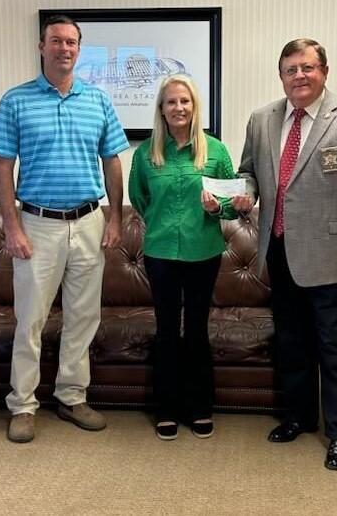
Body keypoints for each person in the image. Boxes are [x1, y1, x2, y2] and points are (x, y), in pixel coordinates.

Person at [233, 38, 337, 470]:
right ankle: (298, 417)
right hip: (278, 250)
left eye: (307, 68)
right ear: (280, 75)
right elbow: (248, 173)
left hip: (333, 257)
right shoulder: (262, 119)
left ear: (324, 70)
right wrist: (245, 195)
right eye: (290, 70)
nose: (299, 76)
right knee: (292, 344)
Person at [0, 14, 129, 443]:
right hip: (37, 223)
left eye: (71, 42)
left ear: (79, 50)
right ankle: (23, 404)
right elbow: (3, 167)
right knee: (30, 319)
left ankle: (71, 397)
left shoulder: (99, 101)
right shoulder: (16, 101)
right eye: (56, 41)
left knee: (83, 317)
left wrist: (116, 216)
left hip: (88, 221)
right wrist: (11, 226)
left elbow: (113, 162)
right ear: (41, 47)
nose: (64, 48)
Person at [128, 75, 237, 441]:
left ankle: (200, 406)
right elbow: (141, 200)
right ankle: (166, 408)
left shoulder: (216, 151)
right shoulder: (146, 154)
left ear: (195, 107)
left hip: (203, 253)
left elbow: (233, 205)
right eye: (171, 102)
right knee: (166, 332)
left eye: (185, 102)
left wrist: (216, 206)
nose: (179, 108)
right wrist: (163, 224)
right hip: (160, 254)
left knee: (196, 331)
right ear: (161, 109)